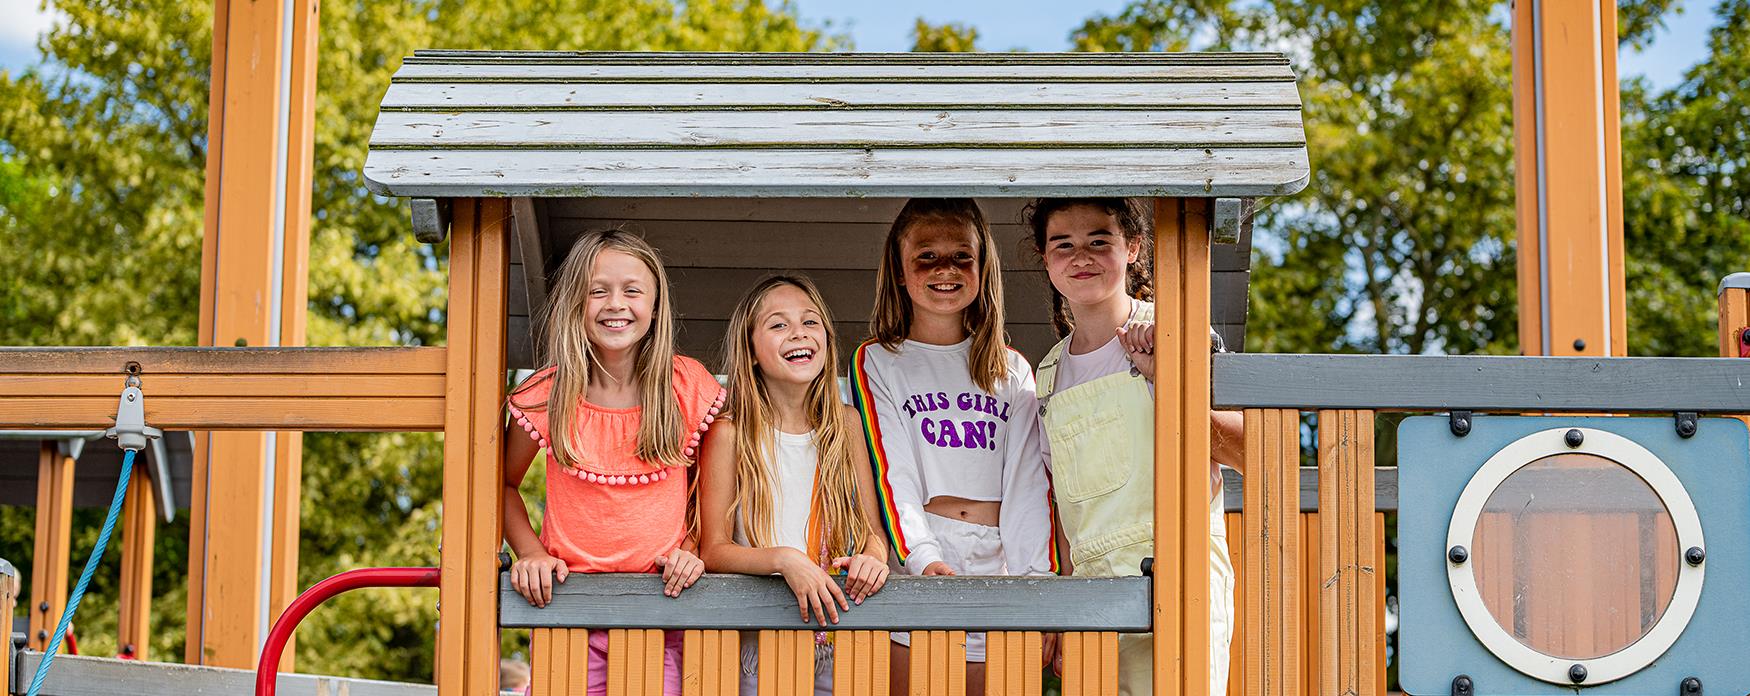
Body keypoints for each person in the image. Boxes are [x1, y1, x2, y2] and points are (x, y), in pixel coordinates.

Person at [1025, 197, 1244, 696]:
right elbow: (1063, 512)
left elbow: (1250, 451)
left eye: (1099, 241)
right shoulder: (1047, 373)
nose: (1081, 256)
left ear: (1135, 248)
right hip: (1091, 596)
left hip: (1178, 570)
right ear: (1044, 257)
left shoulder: (1179, 333)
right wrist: (1060, 609)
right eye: (1064, 245)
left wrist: (1166, 380)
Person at [849, 198, 1055, 696]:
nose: (946, 269)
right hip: (920, 558)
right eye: (926, 257)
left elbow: (1028, 485)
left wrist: (1037, 585)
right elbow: (889, 470)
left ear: (983, 267)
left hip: (1001, 562)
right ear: (899, 271)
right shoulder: (878, 361)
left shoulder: (1013, 369)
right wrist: (921, 556)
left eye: (962, 256)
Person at [501, 229, 720, 696]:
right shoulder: (546, 393)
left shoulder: (686, 386)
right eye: (597, 290)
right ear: (575, 303)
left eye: (632, 290)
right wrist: (531, 553)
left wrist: (695, 547)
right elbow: (499, 484)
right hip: (569, 611)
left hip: (669, 608)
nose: (614, 303)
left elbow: (715, 490)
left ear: (655, 305)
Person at [698, 275, 892, 695]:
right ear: (750, 350)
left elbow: (873, 533)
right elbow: (712, 550)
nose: (799, 333)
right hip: (755, 654)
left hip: (839, 649)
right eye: (778, 324)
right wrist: (786, 559)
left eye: (810, 321)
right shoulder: (730, 432)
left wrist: (873, 558)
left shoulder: (846, 425)